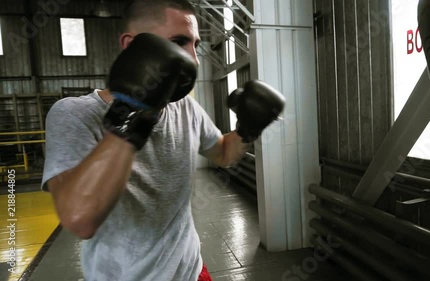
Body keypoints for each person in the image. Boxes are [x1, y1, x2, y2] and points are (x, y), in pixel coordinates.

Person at [40, 0, 285, 280]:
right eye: (179, 42)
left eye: (196, 44)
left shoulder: (187, 109)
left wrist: (246, 131)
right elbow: (80, 219)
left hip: (191, 270)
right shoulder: (75, 114)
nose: (193, 59)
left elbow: (224, 154)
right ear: (133, 46)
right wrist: (133, 114)